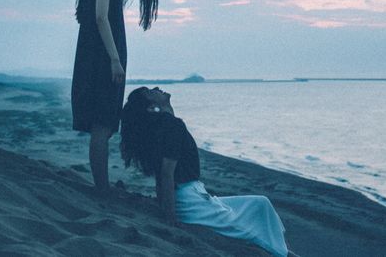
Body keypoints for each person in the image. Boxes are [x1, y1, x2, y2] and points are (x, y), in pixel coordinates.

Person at [120, 87, 290, 257]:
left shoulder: (164, 125)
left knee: (260, 203)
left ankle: (281, 250)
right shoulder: (172, 126)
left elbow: (163, 173)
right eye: (151, 91)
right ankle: (280, 253)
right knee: (252, 233)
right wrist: (170, 217)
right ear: (151, 107)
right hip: (190, 201)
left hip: (192, 195)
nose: (157, 88)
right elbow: (165, 174)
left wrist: (163, 203)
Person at [71, 0, 159, 193]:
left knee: (104, 126)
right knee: (103, 125)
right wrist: (114, 60)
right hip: (100, 64)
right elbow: (101, 17)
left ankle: (102, 185)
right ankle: (102, 188)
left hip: (97, 61)